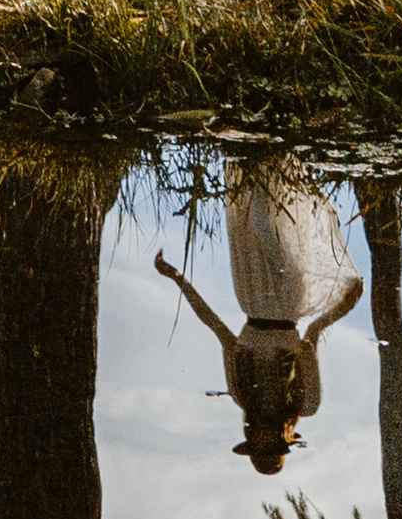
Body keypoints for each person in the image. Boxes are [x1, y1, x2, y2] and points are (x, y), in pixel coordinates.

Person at [156, 158, 364, 475]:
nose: (259, 437)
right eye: (267, 444)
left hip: (250, 295)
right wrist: (342, 308)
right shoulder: (305, 404)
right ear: (283, 440)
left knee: (248, 215)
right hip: (287, 302)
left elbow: (219, 330)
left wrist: (178, 279)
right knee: (264, 223)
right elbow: (311, 339)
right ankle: (279, 159)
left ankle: (258, 154)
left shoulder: (242, 396)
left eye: (255, 442)